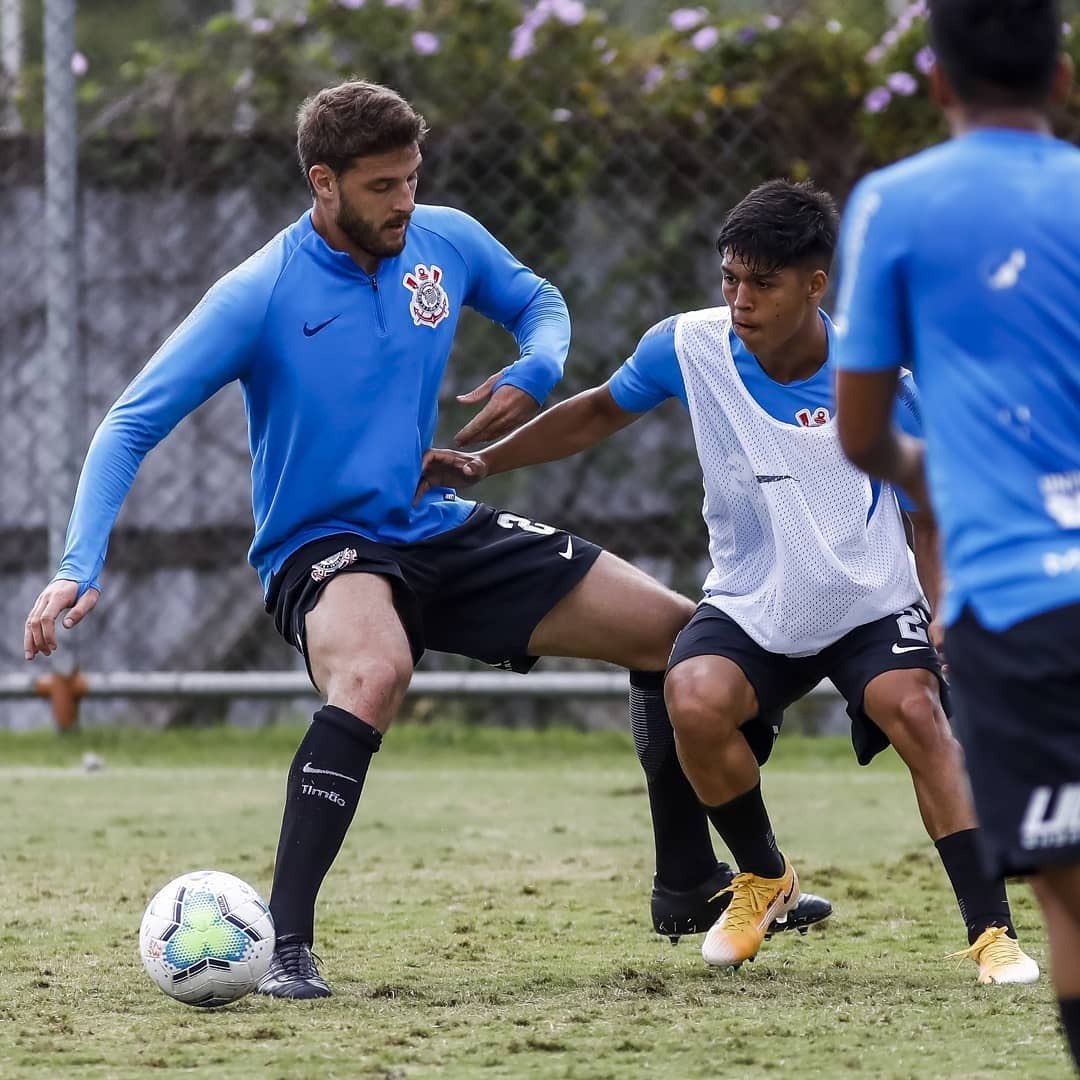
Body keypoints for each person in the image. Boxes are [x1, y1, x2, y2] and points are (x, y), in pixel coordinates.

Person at [21, 79, 828, 999]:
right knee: (375, 674)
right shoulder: (260, 293)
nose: (404, 201)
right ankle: (286, 948)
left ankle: (692, 883)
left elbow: (540, 301)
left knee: (681, 641)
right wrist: (76, 567)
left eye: (411, 178)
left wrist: (539, 361)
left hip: (431, 524)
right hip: (323, 546)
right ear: (323, 183)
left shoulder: (442, 240)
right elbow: (128, 424)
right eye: (381, 186)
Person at [419, 177, 1042, 983]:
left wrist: (944, 609)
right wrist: (482, 462)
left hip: (868, 601)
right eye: (730, 279)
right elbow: (602, 410)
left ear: (816, 285)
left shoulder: (880, 381)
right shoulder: (689, 346)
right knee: (693, 696)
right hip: (755, 602)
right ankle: (764, 877)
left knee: (914, 712)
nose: (741, 299)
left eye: (763, 283)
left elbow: (933, 510)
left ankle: (994, 935)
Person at [833, 0, 1079, 1064]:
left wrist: (960, 478)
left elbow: (863, 432)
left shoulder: (896, 203)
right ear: (1062, 76)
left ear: (937, 84)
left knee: (1071, 901)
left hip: (1017, 604)